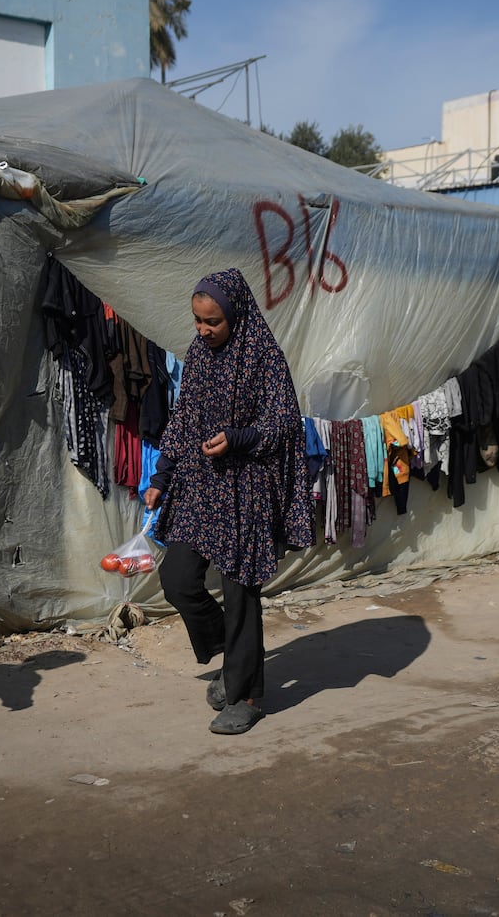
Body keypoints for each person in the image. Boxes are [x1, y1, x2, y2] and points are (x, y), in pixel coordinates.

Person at [143, 269, 314, 734]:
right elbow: (183, 419)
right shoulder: (199, 354)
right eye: (198, 321)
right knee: (177, 579)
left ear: (235, 315)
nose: (203, 330)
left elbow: (283, 422)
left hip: (246, 490)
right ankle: (235, 657)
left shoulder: (263, 355)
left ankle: (246, 695)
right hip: (201, 489)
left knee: (241, 595)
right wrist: (161, 475)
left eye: (212, 322)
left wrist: (238, 437)